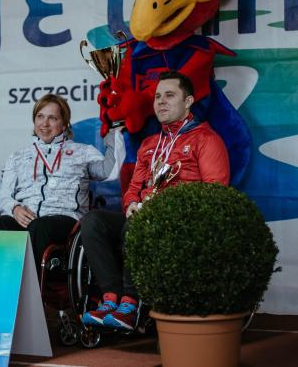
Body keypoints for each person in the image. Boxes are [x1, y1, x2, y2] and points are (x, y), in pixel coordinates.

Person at [81, 70, 230, 330]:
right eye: (158, 96)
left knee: (139, 225)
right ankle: (110, 298)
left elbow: (215, 194)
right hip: (143, 217)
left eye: (170, 95)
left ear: (188, 101)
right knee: (94, 221)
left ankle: (131, 304)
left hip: (180, 222)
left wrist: (169, 207)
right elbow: (134, 187)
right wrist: (130, 206)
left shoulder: (206, 139)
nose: (161, 101)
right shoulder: (149, 144)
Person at [0, 93, 124, 269]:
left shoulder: (82, 152)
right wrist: (14, 208)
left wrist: (113, 134)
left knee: (39, 227)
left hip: (65, 220)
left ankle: (32, 291)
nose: (44, 124)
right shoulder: (18, 156)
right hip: (27, 220)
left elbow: (109, 172)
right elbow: (4, 197)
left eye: (52, 118)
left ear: (64, 124)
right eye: (40, 116)